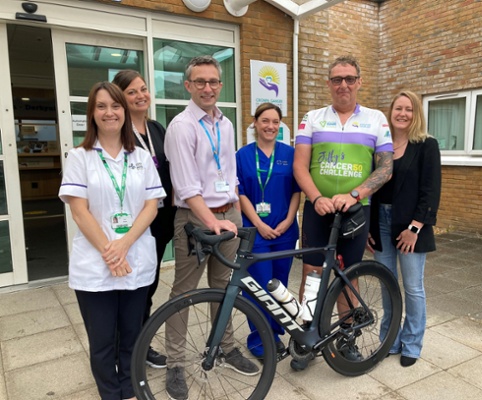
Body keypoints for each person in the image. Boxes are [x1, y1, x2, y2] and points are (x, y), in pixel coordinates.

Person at [58, 81, 166, 399]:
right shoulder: (79, 156)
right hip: (95, 265)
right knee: (103, 341)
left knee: (133, 336)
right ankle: (109, 393)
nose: (110, 112)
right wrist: (110, 250)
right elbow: (79, 211)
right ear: (92, 113)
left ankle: (131, 390)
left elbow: (151, 206)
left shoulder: (142, 157)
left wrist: (123, 245)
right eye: (101, 106)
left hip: (134, 259)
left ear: (124, 110)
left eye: (116, 106)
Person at [163, 55, 259, 400]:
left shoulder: (226, 123)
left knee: (224, 286)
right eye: (200, 82)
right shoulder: (181, 126)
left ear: (220, 85)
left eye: (213, 82)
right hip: (195, 220)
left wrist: (233, 208)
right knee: (184, 293)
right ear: (188, 86)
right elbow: (187, 188)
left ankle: (226, 347)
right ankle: (175, 364)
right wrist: (213, 220)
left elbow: (228, 169)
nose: (208, 88)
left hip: (227, 214)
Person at [292, 55, 393, 371]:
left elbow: (386, 168)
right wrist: (316, 196)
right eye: (337, 79)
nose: (343, 85)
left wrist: (355, 194)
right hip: (317, 209)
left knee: (349, 276)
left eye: (350, 78)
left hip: (355, 211)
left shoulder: (376, 119)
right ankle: (306, 337)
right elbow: (299, 165)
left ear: (359, 81)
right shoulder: (312, 118)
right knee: (311, 274)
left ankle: (347, 338)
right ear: (329, 84)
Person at [367, 90, 441, 367]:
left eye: (408, 109)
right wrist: (369, 228)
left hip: (410, 228)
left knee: (412, 287)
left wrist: (414, 228)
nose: (402, 114)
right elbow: (371, 188)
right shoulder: (380, 145)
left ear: (416, 114)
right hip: (381, 225)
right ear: (391, 112)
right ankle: (390, 340)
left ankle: (411, 343)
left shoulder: (426, 145)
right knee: (387, 287)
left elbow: (430, 192)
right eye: (398, 108)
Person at [112, 70, 177, 369]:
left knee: (148, 284)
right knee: (128, 286)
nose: (141, 96)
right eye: (132, 92)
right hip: (135, 220)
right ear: (121, 99)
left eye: (143, 89)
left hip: (162, 219)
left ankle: (140, 344)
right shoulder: (119, 132)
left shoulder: (157, 128)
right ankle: (122, 347)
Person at [236, 102, 301, 359]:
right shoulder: (242, 155)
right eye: (265, 121)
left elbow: (297, 190)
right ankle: (259, 340)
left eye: (275, 122)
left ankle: (274, 333)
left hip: (285, 231)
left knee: (279, 286)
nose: (270, 126)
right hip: (256, 232)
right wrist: (259, 224)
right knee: (258, 287)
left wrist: (288, 220)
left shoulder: (290, 153)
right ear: (255, 123)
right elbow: (239, 193)